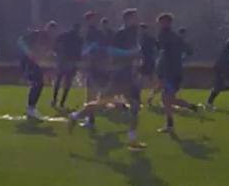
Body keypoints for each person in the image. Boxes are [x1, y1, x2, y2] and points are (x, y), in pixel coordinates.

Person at [71, 9, 146, 150]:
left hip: (129, 74)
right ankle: (75, 116)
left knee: (135, 106)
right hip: (120, 75)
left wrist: (138, 58)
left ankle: (132, 139)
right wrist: (130, 53)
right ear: (128, 19)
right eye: (135, 17)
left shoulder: (135, 33)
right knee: (102, 103)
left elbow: (135, 50)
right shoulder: (120, 34)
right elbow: (111, 51)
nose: (138, 19)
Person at [155, 14, 200, 133]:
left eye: (163, 22)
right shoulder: (175, 37)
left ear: (168, 23)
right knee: (169, 99)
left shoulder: (166, 36)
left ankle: (170, 125)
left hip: (171, 73)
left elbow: (162, 47)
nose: (161, 25)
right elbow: (189, 51)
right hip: (174, 73)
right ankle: (191, 107)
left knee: (166, 99)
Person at [18, 21, 58, 120]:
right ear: (46, 28)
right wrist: (29, 53)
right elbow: (20, 41)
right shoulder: (36, 34)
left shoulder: (50, 39)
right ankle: (30, 107)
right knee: (37, 83)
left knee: (38, 84)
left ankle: (31, 107)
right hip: (29, 62)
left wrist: (50, 55)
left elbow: (47, 52)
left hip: (37, 63)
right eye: (50, 29)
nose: (51, 32)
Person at [52, 23, 83, 109]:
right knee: (67, 83)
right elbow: (79, 52)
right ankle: (62, 102)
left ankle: (54, 99)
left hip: (63, 59)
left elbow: (56, 42)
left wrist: (57, 52)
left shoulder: (65, 35)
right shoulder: (79, 39)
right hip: (71, 62)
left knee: (58, 80)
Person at [206, 42, 229, 110]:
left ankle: (209, 103)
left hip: (221, 67)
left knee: (220, 86)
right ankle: (209, 103)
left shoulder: (228, 48)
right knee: (221, 85)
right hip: (222, 67)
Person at [140, 23, 160, 106]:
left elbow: (158, 46)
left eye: (143, 29)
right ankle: (139, 98)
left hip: (149, 62)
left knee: (153, 82)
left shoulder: (150, 39)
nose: (142, 31)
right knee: (139, 81)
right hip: (141, 62)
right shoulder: (138, 39)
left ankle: (150, 98)